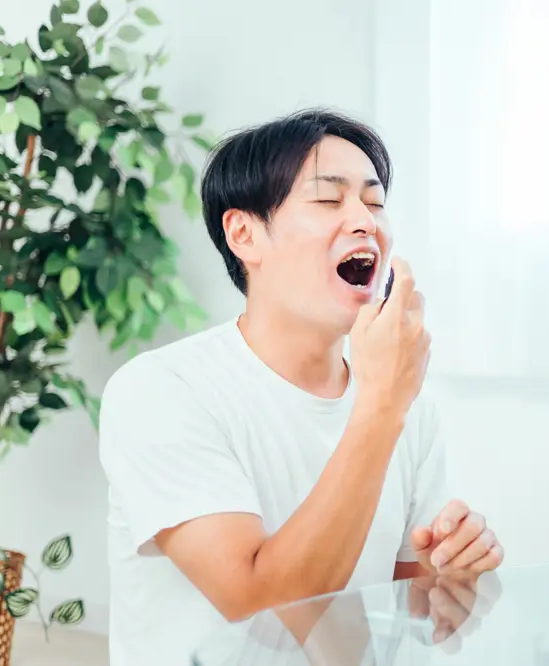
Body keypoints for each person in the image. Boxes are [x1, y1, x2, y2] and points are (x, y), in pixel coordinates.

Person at [98, 108, 504, 666]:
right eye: (329, 199)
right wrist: (383, 405)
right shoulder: (161, 391)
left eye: (375, 202)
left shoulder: (407, 404)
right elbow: (259, 600)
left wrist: (452, 580)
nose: (365, 221)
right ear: (244, 234)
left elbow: (401, 617)